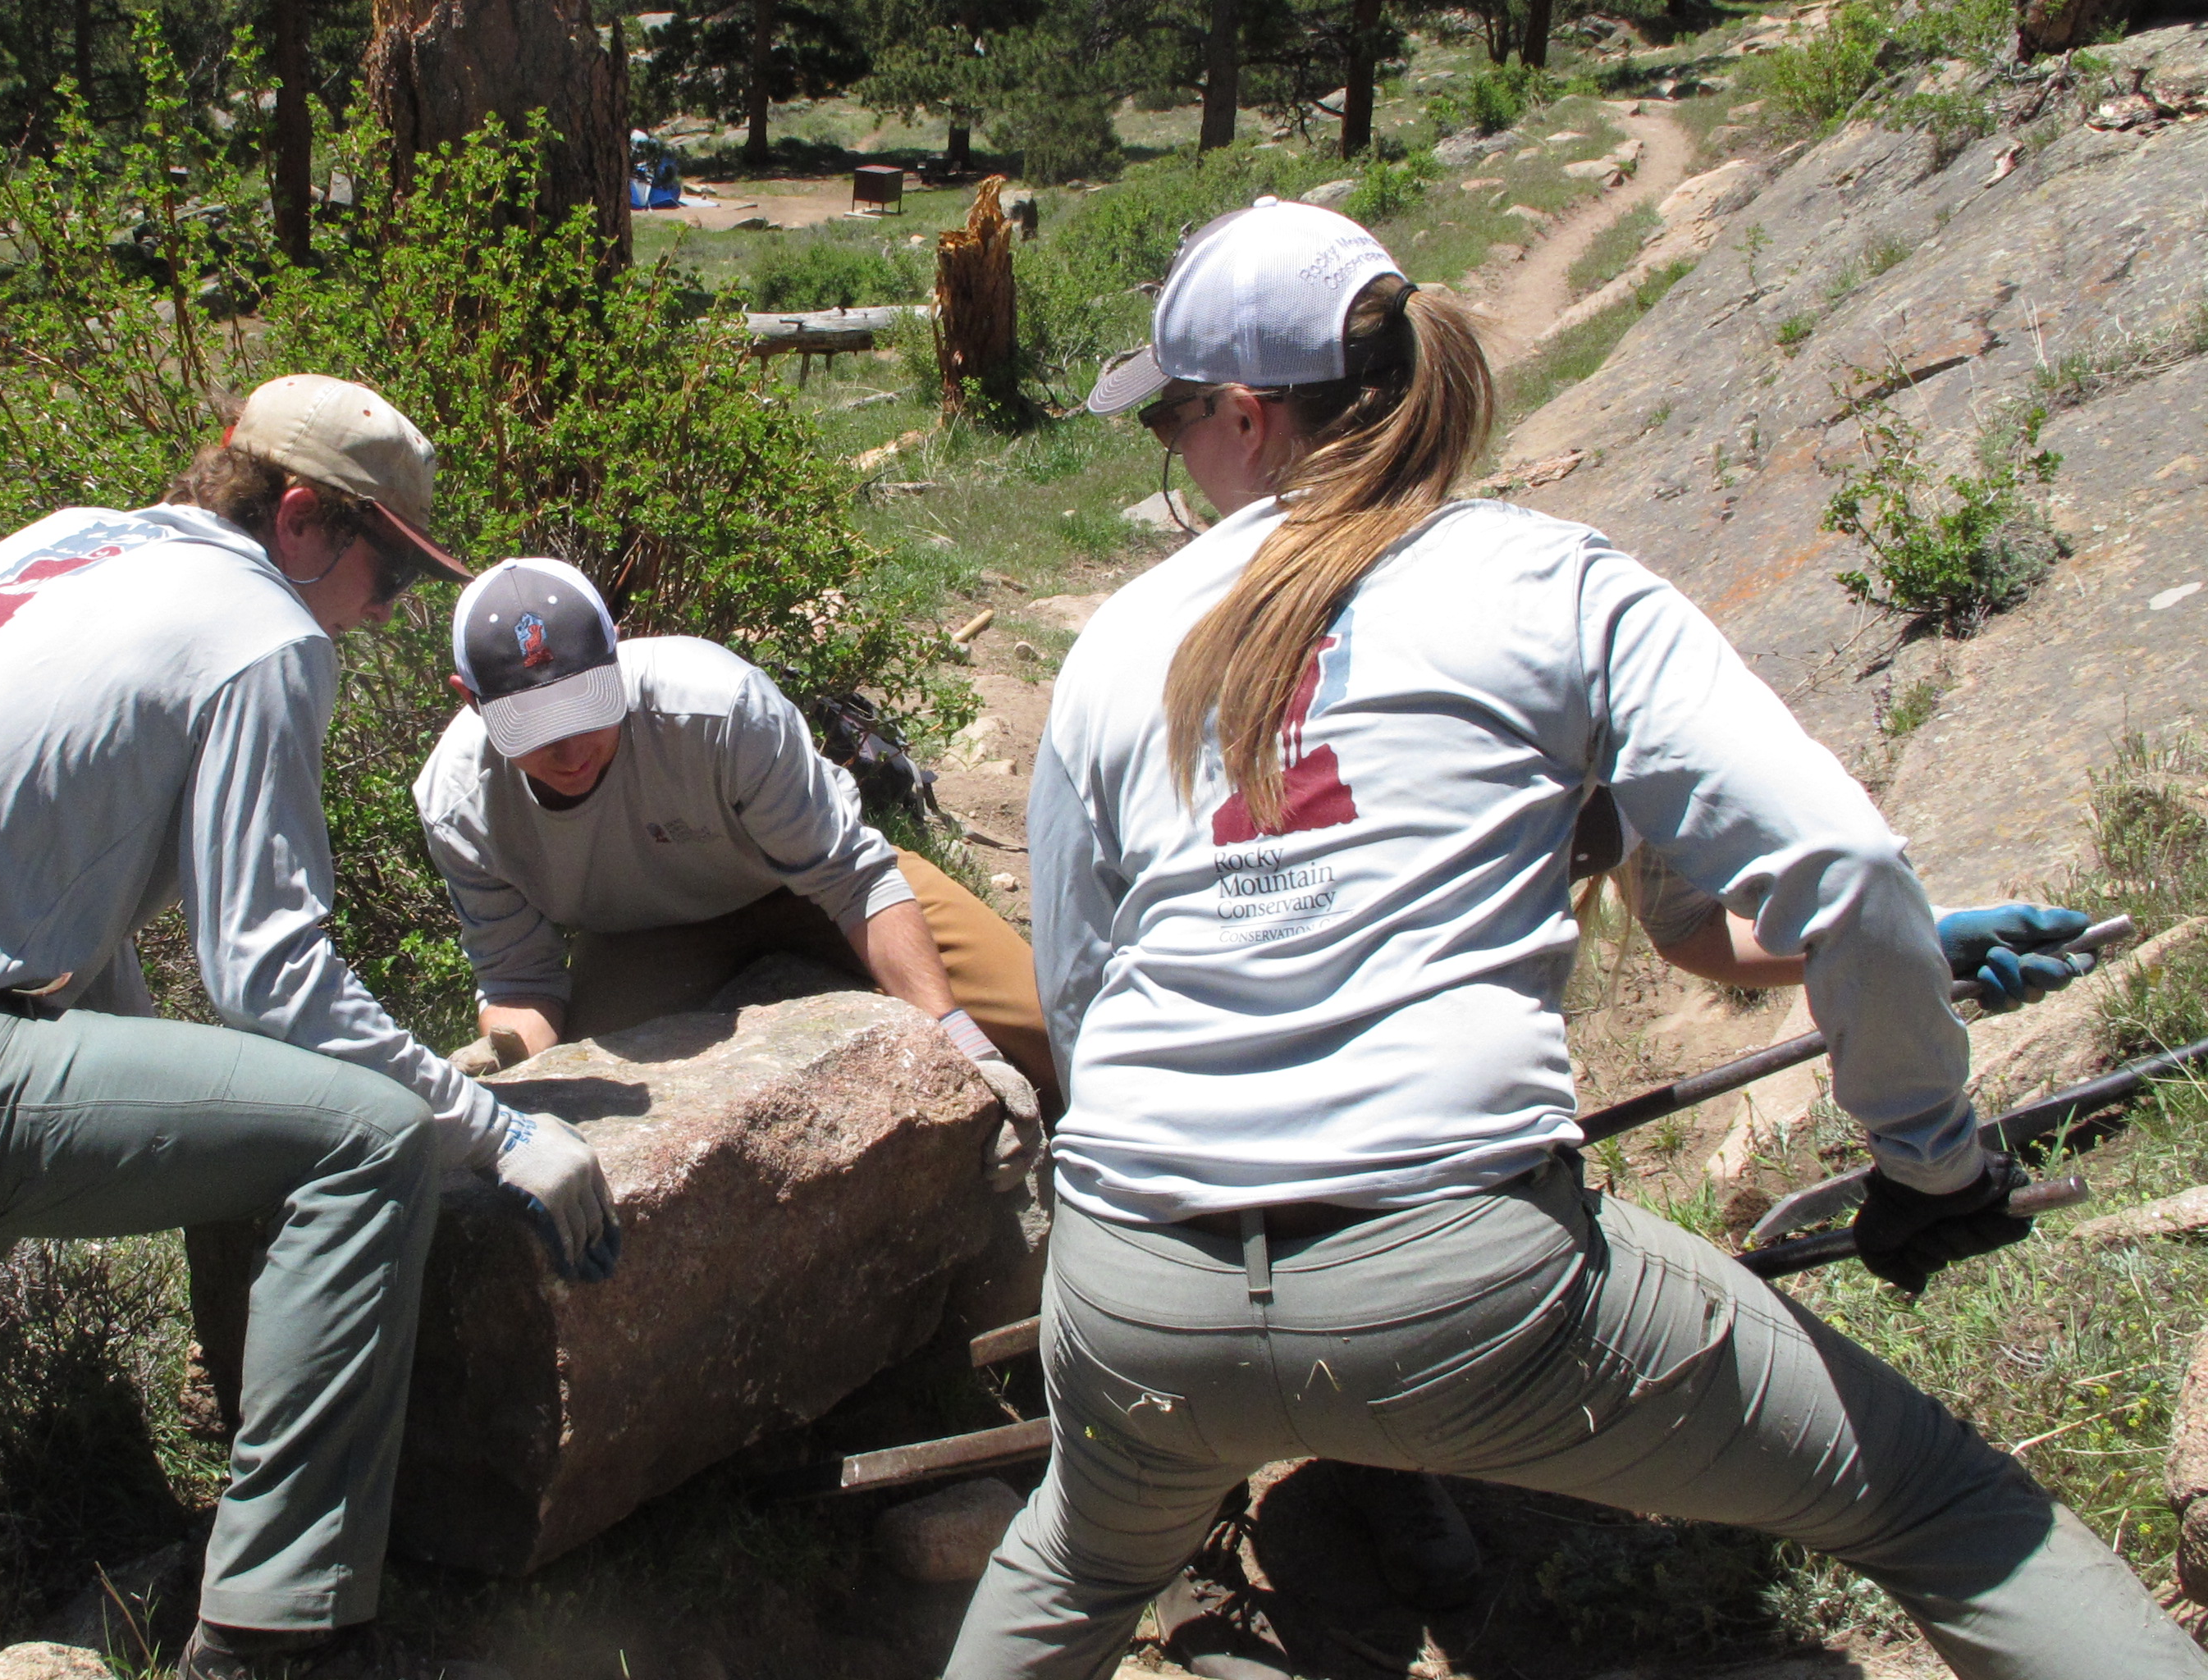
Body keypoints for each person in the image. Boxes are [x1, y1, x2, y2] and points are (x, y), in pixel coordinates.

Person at [944, 199, 2205, 1680]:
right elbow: (1841, 861)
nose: (1167, 455)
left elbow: (1086, 1007)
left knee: (1076, 1567)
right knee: (1939, 1506)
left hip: (1136, 1294)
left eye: (1166, 421)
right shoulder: (1547, 582)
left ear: (1240, 416)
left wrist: (1892, 946)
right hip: (1464, 1284)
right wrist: (1929, 1157)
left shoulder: (1112, 646)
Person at [0, 374, 619, 1680]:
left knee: (0, 1113)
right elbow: (272, 977)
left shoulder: (71, 538)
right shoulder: (262, 635)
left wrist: (195, 1134)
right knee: (365, 1141)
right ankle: (277, 1636)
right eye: (389, 573)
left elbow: (57, 896)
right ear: (302, 517)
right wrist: (492, 1132)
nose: (388, 611)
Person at [1329, 797, 2101, 1613]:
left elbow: (1694, 927)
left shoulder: (1616, 722)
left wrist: (1902, 945)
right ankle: (1215, 1490)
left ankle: (1376, 1439)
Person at [409, 555, 1048, 1170]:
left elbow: (853, 878)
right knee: (589, 1113)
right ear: (470, 700)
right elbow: (521, 980)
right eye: (533, 724)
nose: (570, 749)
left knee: (1048, 1030)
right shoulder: (459, 803)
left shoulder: (717, 704)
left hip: (807, 887)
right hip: (642, 939)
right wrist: (507, 1068)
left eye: (585, 707)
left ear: (618, 653)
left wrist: (958, 1041)